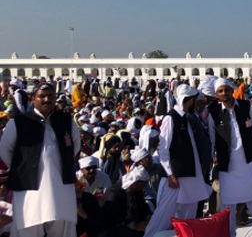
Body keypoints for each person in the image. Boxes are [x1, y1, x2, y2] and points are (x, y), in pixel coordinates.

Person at [0, 83, 81, 237]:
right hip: (28, 188)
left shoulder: (66, 121)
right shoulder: (18, 122)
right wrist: (24, 168)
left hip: (61, 187)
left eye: (50, 96)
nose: (46, 99)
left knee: (63, 229)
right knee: (27, 227)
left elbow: (75, 147)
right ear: (32, 98)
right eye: (42, 96)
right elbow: (5, 150)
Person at [144, 85, 213, 237]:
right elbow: (163, 149)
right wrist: (170, 173)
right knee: (163, 214)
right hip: (177, 177)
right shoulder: (171, 118)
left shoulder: (186, 118)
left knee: (188, 213)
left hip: (190, 175)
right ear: (190, 100)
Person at [208, 78, 252, 237]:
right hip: (228, 164)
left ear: (231, 90)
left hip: (249, 160)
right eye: (220, 91)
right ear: (217, 94)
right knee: (228, 204)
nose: (224, 93)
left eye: (226, 90)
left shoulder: (246, 106)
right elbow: (213, 138)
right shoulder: (213, 113)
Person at [99, 166, 152, 237]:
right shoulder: (114, 192)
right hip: (115, 227)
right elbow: (112, 216)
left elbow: (143, 206)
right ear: (136, 183)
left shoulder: (137, 191)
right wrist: (133, 225)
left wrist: (148, 217)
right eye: (143, 185)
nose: (143, 188)